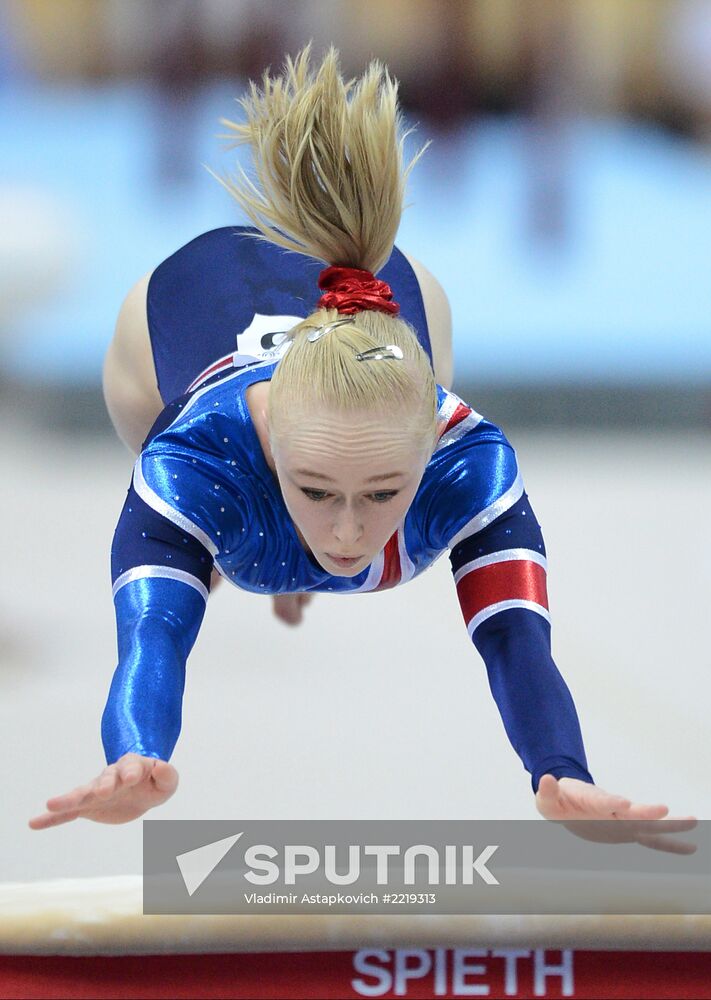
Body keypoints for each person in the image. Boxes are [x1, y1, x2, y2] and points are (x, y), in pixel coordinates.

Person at [29, 46, 690, 845]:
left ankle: (313, 501)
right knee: (195, 547)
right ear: (270, 456)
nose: (348, 534)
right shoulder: (192, 463)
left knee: (408, 359)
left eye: (383, 493)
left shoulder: (464, 459)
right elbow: (153, 634)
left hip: (389, 318)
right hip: (183, 304)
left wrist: (561, 768)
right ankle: (279, 526)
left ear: (429, 452)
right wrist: (135, 755)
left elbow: (516, 635)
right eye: (313, 490)